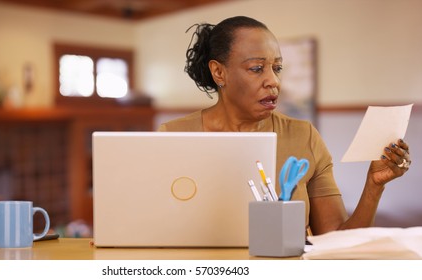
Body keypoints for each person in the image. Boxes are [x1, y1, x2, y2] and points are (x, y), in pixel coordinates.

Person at [157, 16, 411, 235]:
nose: (273, 81)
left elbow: (336, 242)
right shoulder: (172, 137)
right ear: (219, 72)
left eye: (277, 68)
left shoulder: (304, 137)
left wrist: (373, 186)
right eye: (257, 68)